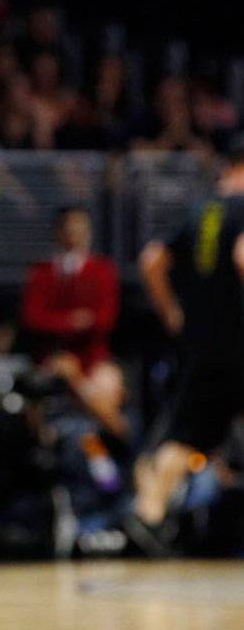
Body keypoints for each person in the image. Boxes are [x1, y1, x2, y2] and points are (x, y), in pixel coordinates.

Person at [125, 141, 244, 554]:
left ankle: (149, 515)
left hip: (200, 345)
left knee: (185, 433)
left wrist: (173, 314)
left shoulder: (198, 210)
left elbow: (151, 260)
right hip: (238, 340)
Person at [20, 206, 128, 439]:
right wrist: (72, 321)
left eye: (81, 230)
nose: (75, 236)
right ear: (58, 232)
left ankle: (109, 449)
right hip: (51, 359)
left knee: (107, 389)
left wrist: (76, 375)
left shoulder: (102, 271)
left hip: (93, 359)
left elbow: (105, 319)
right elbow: (33, 318)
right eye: (70, 230)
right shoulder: (41, 273)